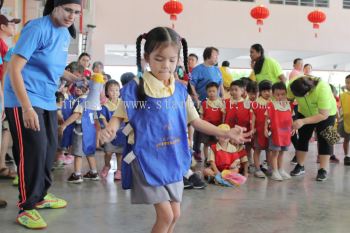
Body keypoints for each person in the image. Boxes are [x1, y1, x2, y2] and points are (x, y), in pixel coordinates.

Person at [100, 27, 250, 233]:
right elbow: (118, 116)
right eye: (159, 59)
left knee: (176, 215)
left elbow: (196, 121)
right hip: (147, 159)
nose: (166, 65)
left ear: (179, 59)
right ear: (146, 57)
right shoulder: (135, 89)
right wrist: (110, 128)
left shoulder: (179, 91)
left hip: (173, 157)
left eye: (172, 60)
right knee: (166, 216)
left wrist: (225, 132)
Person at [4, 0, 82, 229]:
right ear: (55, 6)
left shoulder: (65, 33)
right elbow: (14, 68)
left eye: (76, 12)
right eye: (68, 10)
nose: (72, 16)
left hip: (47, 99)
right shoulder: (37, 28)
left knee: (49, 151)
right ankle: (26, 207)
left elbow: (53, 65)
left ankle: (41, 196)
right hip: (24, 99)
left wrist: (70, 77)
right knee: (33, 152)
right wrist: (26, 107)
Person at [288, 76, 337, 181]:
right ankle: (300, 166)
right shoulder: (292, 85)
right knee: (302, 138)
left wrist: (302, 121)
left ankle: (323, 169)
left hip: (327, 114)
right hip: (304, 112)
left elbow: (323, 115)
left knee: (326, 140)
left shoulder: (323, 88)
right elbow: (288, 100)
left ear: (307, 93)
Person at [265, 82, 292, 181]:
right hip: (275, 133)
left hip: (286, 133)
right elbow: (266, 118)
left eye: (283, 94)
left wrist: (293, 128)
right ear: (273, 94)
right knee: (275, 153)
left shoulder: (288, 105)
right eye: (277, 94)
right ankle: (274, 171)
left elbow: (290, 118)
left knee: (282, 152)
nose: (280, 96)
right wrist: (265, 129)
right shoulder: (271, 104)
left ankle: (281, 169)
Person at [99, 80, 124, 180]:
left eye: (117, 90)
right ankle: (107, 166)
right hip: (109, 134)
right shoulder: (105, 106)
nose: (114, 93)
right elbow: (103, 118)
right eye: (112, 90)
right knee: (108, 152)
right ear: (107, 93)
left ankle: (119, 170)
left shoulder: (122, 104)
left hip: (121, 133)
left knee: (120, 153)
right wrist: (108, 128)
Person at [199, 82, 225, 162]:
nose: (212, 93)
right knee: (206, 144)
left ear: (217, 91)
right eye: (209, 91)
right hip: (206, 127)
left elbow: (224, 115)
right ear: (206, 92)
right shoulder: (204, 103)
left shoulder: (221, 103)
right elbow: (201, 115)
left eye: (214, 91)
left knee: (216, 144)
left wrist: (223, 125)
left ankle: (216, 159)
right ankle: (207, 159)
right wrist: (201, 126)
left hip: (217, 127)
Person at [252, 81, 272, 178]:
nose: (267, 93)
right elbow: (253, 117)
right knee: (257, 150)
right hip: (258, 131)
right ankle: (257, 169)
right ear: (260, 92)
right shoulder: (256, 103)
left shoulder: (273, 102)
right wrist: (252, 129)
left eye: (269, 90)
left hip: (270, 132)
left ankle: (270, 168)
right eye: (264, 91)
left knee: (269, 150)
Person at [339, 75, 350, 165]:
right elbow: (340, 107)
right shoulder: (342, 95)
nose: (348, 85)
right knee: (346, 139)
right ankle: (347, 156)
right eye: (347, 83)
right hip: (346, 121)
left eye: (349, 83)